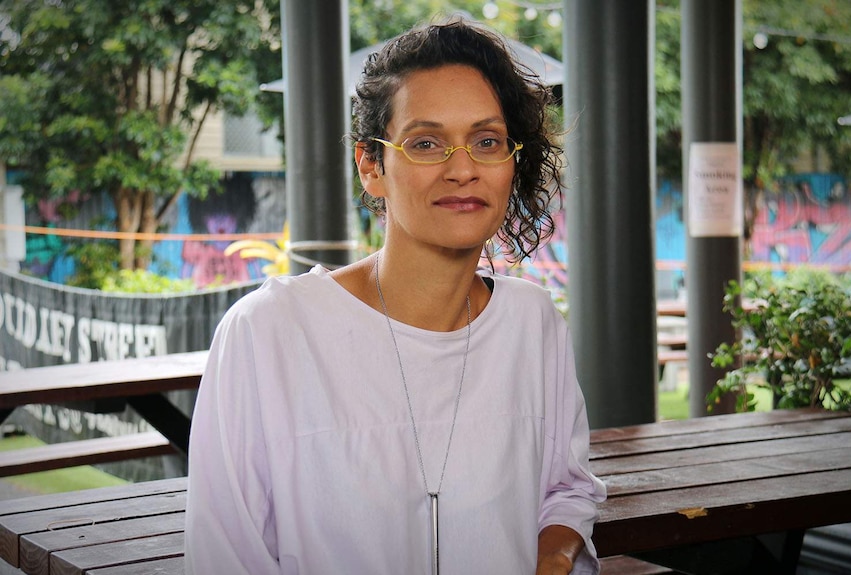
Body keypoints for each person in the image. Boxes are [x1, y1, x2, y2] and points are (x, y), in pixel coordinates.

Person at [185, 17, 606, 575]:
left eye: (487, 141)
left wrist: (553, 556)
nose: (462, 169)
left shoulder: (533, 325)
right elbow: (226, 556)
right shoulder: (270, 333)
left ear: (513, 163)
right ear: (371, 165)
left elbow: (568, 487)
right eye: (426, 143)